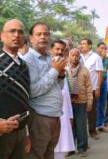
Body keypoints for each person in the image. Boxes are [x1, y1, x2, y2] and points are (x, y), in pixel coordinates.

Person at [23, 22, 67, 159]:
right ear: (31, 38)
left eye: (46, 34)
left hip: (54, 117)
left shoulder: (50, 58)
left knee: (49, 154)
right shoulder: (27, 60)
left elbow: (58, 87)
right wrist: (54, 71)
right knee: (36, 155)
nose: (43, 37)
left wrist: (60, 76)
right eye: (39, 34)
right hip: (40, 118)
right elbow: (33, 90)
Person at [0, 19, 31, 159]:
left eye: (20, 32)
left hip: (20, 133)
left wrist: (27, 133)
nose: (16, 35)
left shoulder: (24, 65)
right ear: (2, 36)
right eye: (12, 31)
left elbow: (25, 101)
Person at [66, 48, 93, 157]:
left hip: (81, 101)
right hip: (68, 102)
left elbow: (89, 87)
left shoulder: (84, 70)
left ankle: (82, 148)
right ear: (68, 56)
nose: (74, 57)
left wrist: (90, 102)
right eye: (72, 55)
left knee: (81, 126)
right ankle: (70, 148)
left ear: (79, 57)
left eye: (77, 55)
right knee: (69, 126)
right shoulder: (64, 68)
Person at [52, 40, 75, 159]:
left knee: (62, 146)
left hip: (64, 112)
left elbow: (66, 93)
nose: (60, 52)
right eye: (57, 49)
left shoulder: (65, 69)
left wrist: (70, 115)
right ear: (51, 50)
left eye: (63, 50)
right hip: (49, 114)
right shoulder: (47, 65)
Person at [79, 38, 103, 140]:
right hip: (80, 89)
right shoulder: (78, 56)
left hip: (92, 88)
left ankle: (92, 131)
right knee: (81, 112)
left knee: (91, 110)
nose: (82, 45)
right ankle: (81, 133)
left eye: (84, 44)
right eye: (81, 44)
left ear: (90, 46)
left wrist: (98, 87)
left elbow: (100, 73)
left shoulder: (96, 57)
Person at [95, 42, 108, 132]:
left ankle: (100, 124)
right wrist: (102, 57)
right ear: (97, 49)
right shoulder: (95, 58)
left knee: (102, 104)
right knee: (96, 104)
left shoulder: (106, 58)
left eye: (105, 48)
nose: (103, 50)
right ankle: (94, 125)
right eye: (102, 48)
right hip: (96, 83)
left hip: (104, 81)